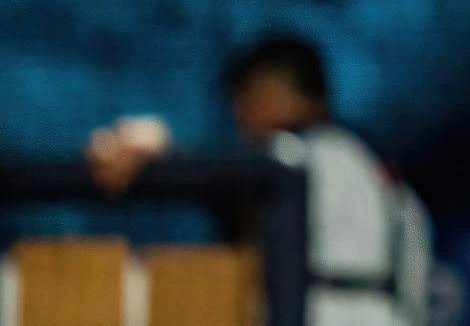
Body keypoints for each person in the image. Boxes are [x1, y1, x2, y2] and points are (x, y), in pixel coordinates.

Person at [85, 36, 432, 326]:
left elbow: (221, 184)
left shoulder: (291, 155)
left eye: (244, 104)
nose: (243, 122)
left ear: (267, 95)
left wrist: (161, 149)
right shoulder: (374, 168)